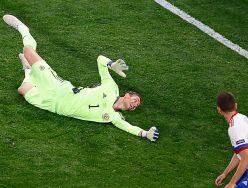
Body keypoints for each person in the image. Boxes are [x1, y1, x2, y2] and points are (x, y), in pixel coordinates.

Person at [3, 15, 159, 142]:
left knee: (22, 90)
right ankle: (23, 29)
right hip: (60, 88)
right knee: (28, 51)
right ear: (126, 94)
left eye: (136, 105)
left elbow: (129, 127)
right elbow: (100, 60)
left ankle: (28, 70)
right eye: (135, 99)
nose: (135, 104)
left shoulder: (113, 117)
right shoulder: (111, 88)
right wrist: (112, 65)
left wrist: (145, 133)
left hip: (54, 106)